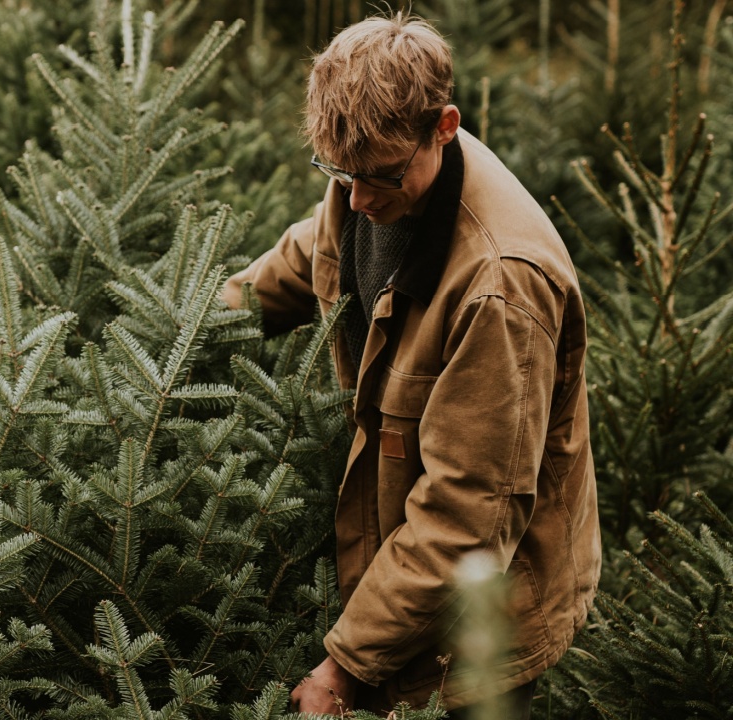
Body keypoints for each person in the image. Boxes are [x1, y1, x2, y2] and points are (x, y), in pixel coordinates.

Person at [222, 13, 600, 718]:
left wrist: (345, 666)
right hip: (400, 563)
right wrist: (197, 320)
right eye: (339, 175)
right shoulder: (371, 176)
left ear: (445, 126)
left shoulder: (500, 285)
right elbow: (315, 252)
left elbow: (469, 517)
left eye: (379, 180)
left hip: (481, 623)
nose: (357, 200)